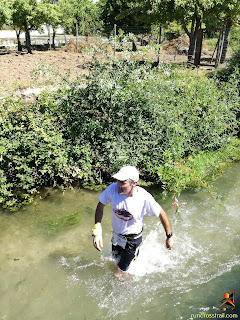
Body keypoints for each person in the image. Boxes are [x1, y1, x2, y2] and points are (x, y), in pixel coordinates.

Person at [92, 165, 173, 279]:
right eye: (118, 181)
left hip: (132, 241)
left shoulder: (144, 197)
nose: (119, 185)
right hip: (117, 236)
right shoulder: (112, 189)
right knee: (115, 262)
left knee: (118, 273)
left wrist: (169, 237)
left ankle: (129, 291)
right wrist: (97, 231)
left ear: (134, 183)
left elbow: (161, 213)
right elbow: (100, 206)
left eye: (123, 183)